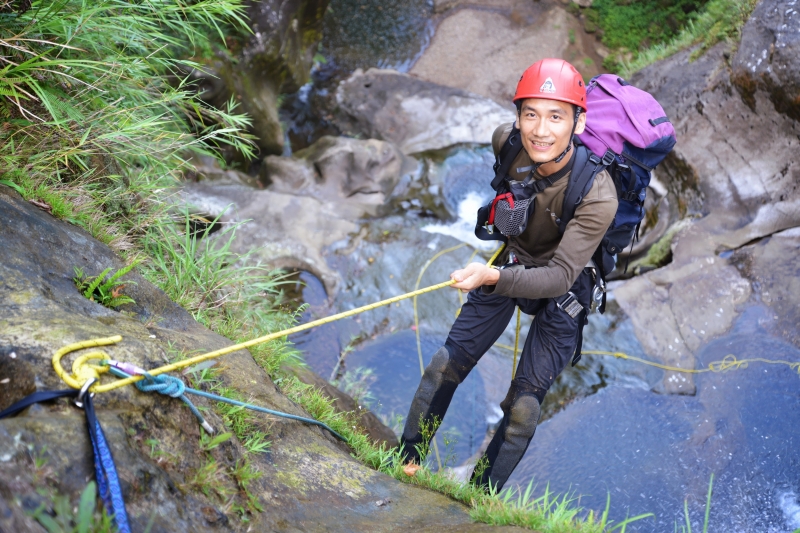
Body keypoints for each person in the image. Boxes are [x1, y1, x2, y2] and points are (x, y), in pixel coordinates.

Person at [399, 58, 619, 491]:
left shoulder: (598, 193)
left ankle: (480, 497)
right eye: (530, 114)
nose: (540, 129)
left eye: (556, 116)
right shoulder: (508, 142)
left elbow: (557, 278)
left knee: (523, 409)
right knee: (444, 366)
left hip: (566, 285)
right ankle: (405, 462)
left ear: (579, 122)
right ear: (517, 117)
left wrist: (490, 278)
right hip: (514, 259)